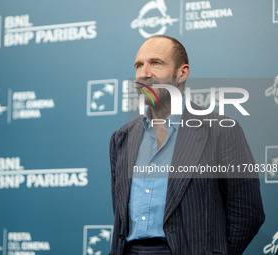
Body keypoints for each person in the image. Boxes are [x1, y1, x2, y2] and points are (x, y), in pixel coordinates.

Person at [109, 35, 265, 255]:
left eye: (156, 63)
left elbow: (248, 212)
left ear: (182, 73)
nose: (144, 73)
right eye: (138, 65)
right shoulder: (121, 138)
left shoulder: (221, 130)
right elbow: (120, 215)